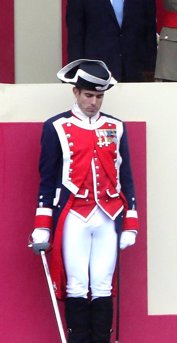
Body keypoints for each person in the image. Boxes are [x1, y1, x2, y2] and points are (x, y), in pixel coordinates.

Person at [30, 59, 138, 343]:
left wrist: (131, 224)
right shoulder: (56, 126)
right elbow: (47, 177)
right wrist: (42, 224)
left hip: (108, 215)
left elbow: (125, 177)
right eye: (88, 95)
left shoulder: (117, 127)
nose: (94, 102)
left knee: (103, 284)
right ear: (75, 93)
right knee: (77, 284)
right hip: (74, 215)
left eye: (99, 96)